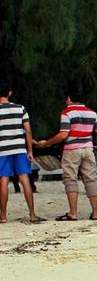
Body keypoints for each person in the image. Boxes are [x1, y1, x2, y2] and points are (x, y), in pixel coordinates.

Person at [34, 86, 97, 221]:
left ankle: (73, 213)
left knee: (70, 179)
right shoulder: (92, 113)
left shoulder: (67, 113)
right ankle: (94, 213)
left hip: (71, 150)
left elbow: (63, 135)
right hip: (88, 149)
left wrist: (46, 143)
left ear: (69, 99)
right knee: (91, 179)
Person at [0, 80, 42, 223]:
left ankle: (3, 216)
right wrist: (29, 150)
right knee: (25, 180)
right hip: (19, 148)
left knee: (3, 181)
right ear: (9, 93)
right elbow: (28, 131)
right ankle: (32, 214)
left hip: (2, 149)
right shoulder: (20, 108)